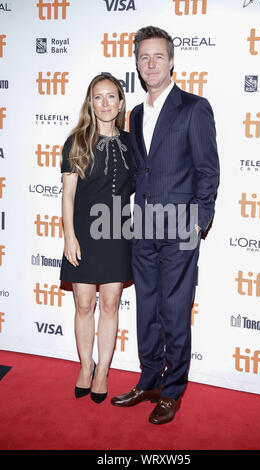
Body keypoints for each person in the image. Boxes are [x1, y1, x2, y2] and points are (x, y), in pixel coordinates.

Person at [111, 26, 220, 424]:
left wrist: (199, 221)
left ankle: (172, 390)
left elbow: (208, 170)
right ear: (137, 64)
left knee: (175, 311)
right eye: (144, 57)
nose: (151, 64)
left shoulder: (194, 107)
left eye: (158, 56)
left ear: (171, 61)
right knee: (146, 309)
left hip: (180, 228)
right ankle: (149, 380)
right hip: (142, 227)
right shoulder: (135, 114)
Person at [60, 73, 133, 404]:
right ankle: (85, 367)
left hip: (117, 232)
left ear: (120, 102)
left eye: (111, 97)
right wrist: (69, 237)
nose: (105, 103)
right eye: (98, 97)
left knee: (110, 303)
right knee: (84, 304)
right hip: (84, 235)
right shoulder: (77, 141)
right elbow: (68, 196)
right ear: (90, 102)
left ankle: (103, 370)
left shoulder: (133, 143)